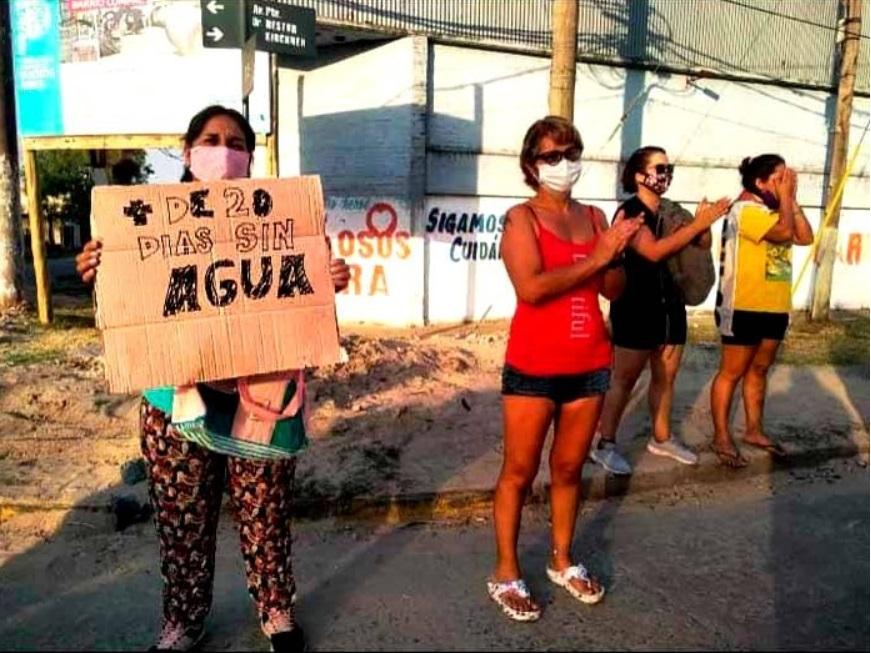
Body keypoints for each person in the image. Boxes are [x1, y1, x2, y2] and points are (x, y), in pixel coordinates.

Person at [76, 105, 350, 652]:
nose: (223, 151)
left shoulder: (280, 225)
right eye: (210, 139)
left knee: (266, 514)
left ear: (249, 157)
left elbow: (298, 299)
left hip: (262, 398)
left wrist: (328, 278)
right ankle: (183, 620)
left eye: (235, 142)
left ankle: (276, 611)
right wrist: (101, 274)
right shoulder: (145, 226)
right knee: (182, 522)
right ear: (187, 152)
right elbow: (133, 304)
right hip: (175, 401)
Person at [488, 115, 642, 621]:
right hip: (534, 366)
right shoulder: (521, 219)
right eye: (552, 156)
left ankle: (562, 559)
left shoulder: (595, 218)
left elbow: (613, 290)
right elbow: (531, 288)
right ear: (532, 165)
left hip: (590, 363)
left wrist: (614, 255)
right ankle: (506, 571)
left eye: (571, 153)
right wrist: (597, 257)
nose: (564, 163)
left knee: (570, 469)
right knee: (519, 471)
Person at [590, 146, 730, 476]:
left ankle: (662, 437)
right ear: (640, 175)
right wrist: (697, 225)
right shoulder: (630, 212)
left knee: (666, 376)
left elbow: (701, 244)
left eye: (669, 168)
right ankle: (605, 443)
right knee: (624, 379)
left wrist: (703, 224)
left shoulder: (671, 211)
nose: (666, 175)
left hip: (670, 306)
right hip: (635, 307)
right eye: (660, 168)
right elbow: (652, 251)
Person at [710, 154, 813, 467]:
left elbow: (805, 237)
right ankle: (721, 436)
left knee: (759, 370)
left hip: (774, 306)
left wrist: (790, 200)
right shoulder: (745, 210)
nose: (786, 184)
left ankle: (754, 430)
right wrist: (786, 199)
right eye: (779, 179)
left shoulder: (777, 209)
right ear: (759, 182)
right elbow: (782, 233)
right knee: (731, 373)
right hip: (744, 305)